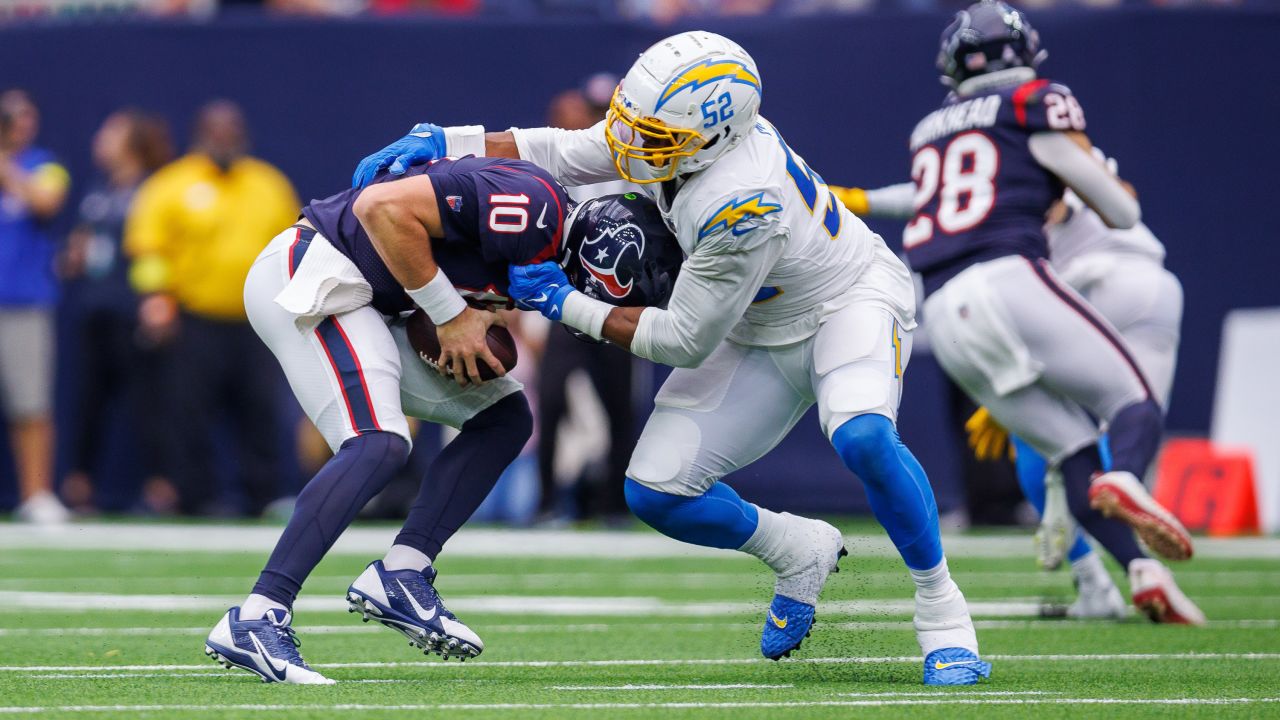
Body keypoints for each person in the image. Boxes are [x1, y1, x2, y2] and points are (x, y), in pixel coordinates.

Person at [353, 30, 991, 685]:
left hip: (843, 306)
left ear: (713, 137)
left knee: (862, 436)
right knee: (656, 490)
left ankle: (943, 612)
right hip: (751, 324)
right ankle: (796, 549)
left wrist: (562, 302)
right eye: (633, 125)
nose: (630, 146)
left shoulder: (739, 197)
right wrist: (449, 141)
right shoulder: (666, 129)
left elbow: (685, 340)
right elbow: (563, 150)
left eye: (651, 138)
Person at [204, 153, 681, 684]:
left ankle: (402, 574)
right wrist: (451, 315)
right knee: (377, 442)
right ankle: (256, 615)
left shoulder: (542, 250)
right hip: (316, 270)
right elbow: (381, 207)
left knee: (504, 417)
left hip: (369, 302)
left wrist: (463, 314)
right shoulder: (535, 209)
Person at [832, 2, 1201, 624]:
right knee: (1133, 405)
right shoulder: (1034, 104)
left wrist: (866, 198)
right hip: (1014, 278)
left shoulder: (932, 127)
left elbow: (935, 196)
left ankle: (1133, 569)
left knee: (1069, 451)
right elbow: (1122, 212)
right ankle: (1128, 481)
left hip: (944, 311)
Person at [124, 100, 298, 516]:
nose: (224, 138)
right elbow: (148, 249)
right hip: (194, 317)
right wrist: (156, 297)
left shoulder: (268, 183)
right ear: (200, 133)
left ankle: (264, 495)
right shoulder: (171, 184)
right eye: (216, 130)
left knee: (259, 408)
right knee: (189, 410)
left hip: (258, 320)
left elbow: (294, 244)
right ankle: (194, 496)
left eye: (231, 130)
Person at [537, 73, 641, 522]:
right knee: (552, 398)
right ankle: (545, 502)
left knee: (619, 404)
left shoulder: (640, 163)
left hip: (618, 304)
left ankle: (613, 503)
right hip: (567, 301)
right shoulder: (563, 158)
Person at [60, 110, 174, 513]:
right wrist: (72, 255)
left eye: (111, 133)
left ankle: (161, 490)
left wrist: (159, 298)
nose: (100, 140)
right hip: (96, 309)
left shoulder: (154, 189)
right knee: (88, 401)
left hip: (134, 310)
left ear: (132, 142)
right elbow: (81, 244)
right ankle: (78, 489)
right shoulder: (97, 192)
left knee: (147, 403)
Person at [0, 89, 71, 524]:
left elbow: (45, 201)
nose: (20, 123)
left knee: (31, 404)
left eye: (27, 116)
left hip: (24, 302)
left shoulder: (44, 165)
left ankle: (36, 493)